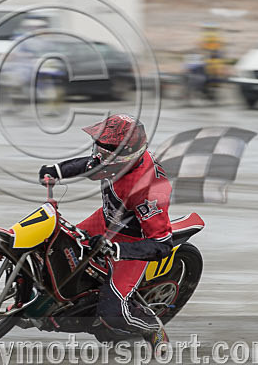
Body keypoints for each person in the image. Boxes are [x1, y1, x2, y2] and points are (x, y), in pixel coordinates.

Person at [38, 114, 172, 348]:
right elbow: (89, 164)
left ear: (126, 156)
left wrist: (116, 249)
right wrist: (56, 170)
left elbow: (162, 244)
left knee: (111, 314)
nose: (99, 155)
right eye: (99, 146)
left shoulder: (149, 190)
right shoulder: (113, 160)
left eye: (107, 151)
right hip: (105, 220)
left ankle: (153, 327)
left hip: (132, 241)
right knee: (55, 245)